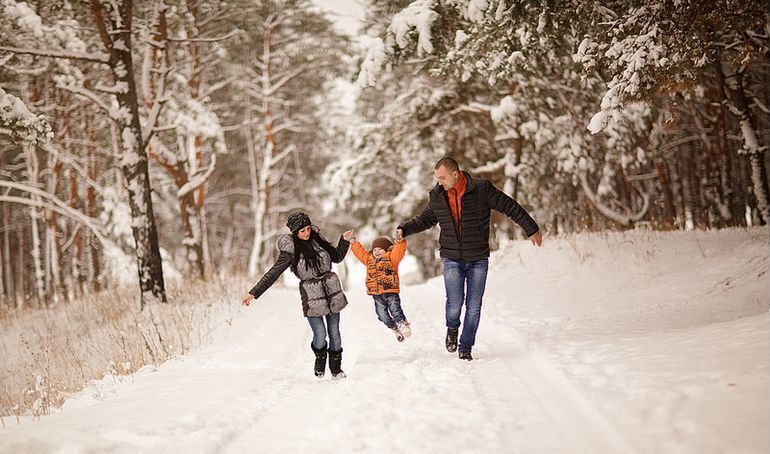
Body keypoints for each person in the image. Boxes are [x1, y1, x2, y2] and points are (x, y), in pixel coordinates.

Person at [396, 157, 543, 360]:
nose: (440, 182)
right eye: (437, 178)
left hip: (478, 258)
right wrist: (405, 228)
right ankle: (452, 328)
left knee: (474, 306)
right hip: (452, 257)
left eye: (443, 177)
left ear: (456, 174)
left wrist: (531, 228)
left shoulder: (482, 190)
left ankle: (466, 346)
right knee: (455, 303)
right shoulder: (438, 196)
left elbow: (509, 206)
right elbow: (426, 219)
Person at [242, 212, 355, 378]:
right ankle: (320, 357)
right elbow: (274, 272)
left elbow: (337, 257)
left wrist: (344, 241)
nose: (307, 233)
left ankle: (336, 370)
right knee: (320, 334)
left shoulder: (317, 239)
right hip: (311, 297)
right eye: (302, 231)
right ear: (295, 232)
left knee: (335, 333)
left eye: (308, 228)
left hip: (332, 292)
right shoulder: (290, 249)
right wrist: (254, 293)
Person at [349, 233, 411, 342]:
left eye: (380, 249)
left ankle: (402, 323)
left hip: (390, 291)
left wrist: (399, 241)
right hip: (376, 294)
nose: (377, 252)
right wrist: (354, 242)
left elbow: (399, 252)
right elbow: (360, 253)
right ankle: (394, 328)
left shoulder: (391, 258)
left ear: (386, 250)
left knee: (394, 309)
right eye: (374, 250)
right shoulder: (369, 260)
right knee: (382, 315)